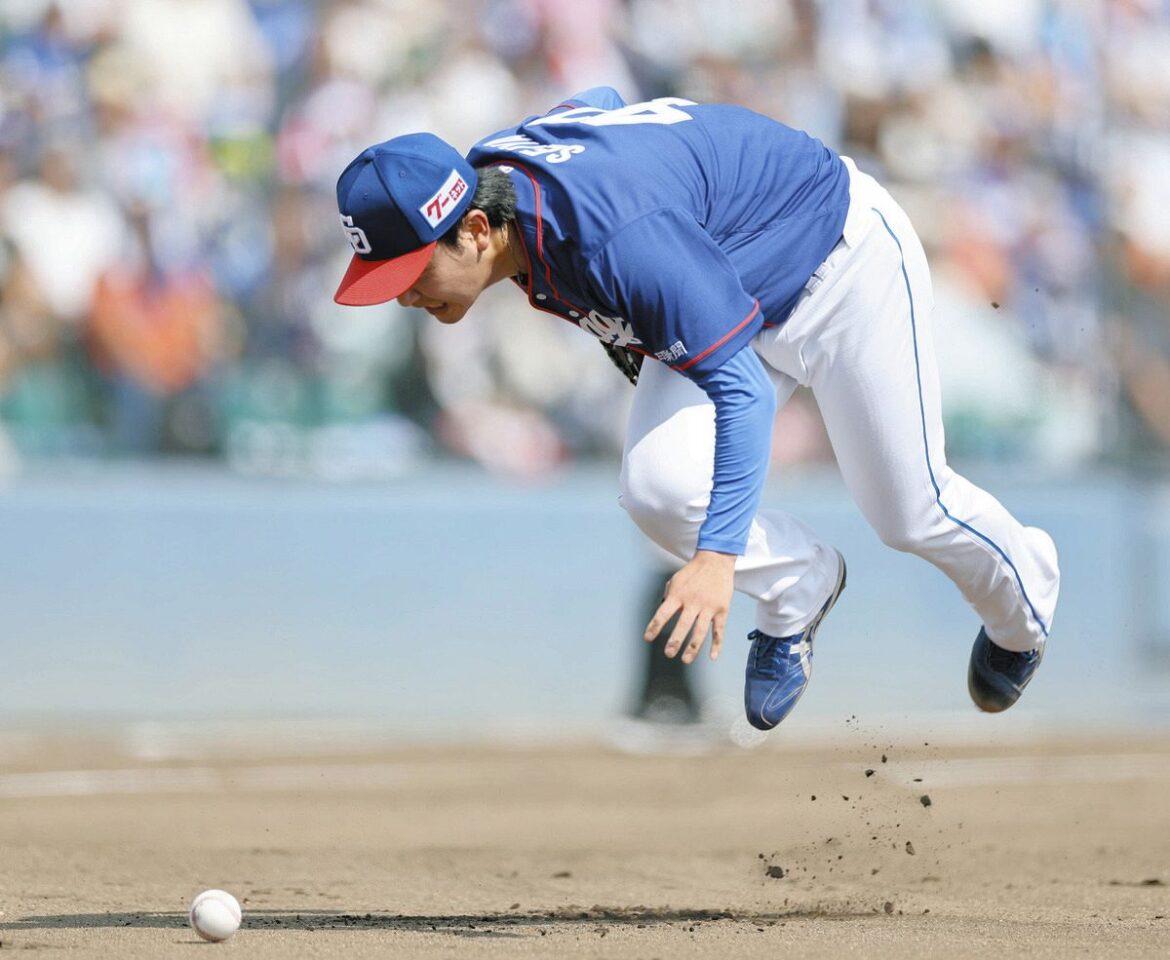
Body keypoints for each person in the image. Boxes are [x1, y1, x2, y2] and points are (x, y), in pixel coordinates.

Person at [330, 88, 1060, 729]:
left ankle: (1024, 604)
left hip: (841, 264)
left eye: (412, 270)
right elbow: (599, 101)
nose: (403, 295)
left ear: (475, 230)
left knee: (910, 512)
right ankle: (798, 587)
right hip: (728, 287)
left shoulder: (615, 239)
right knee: (657, 488)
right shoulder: (502, 178)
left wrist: (717, 560)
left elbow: (745, 395)